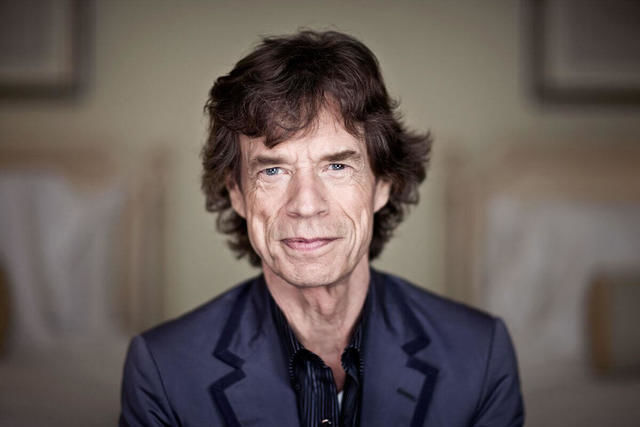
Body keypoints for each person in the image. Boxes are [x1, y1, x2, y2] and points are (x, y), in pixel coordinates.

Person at [119, 30, 524, 427]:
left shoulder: (480, 356)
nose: (306, 205)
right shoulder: (163, 372)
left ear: (383, 183)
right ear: (237, 193)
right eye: (273, 170)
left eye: (337, 166)